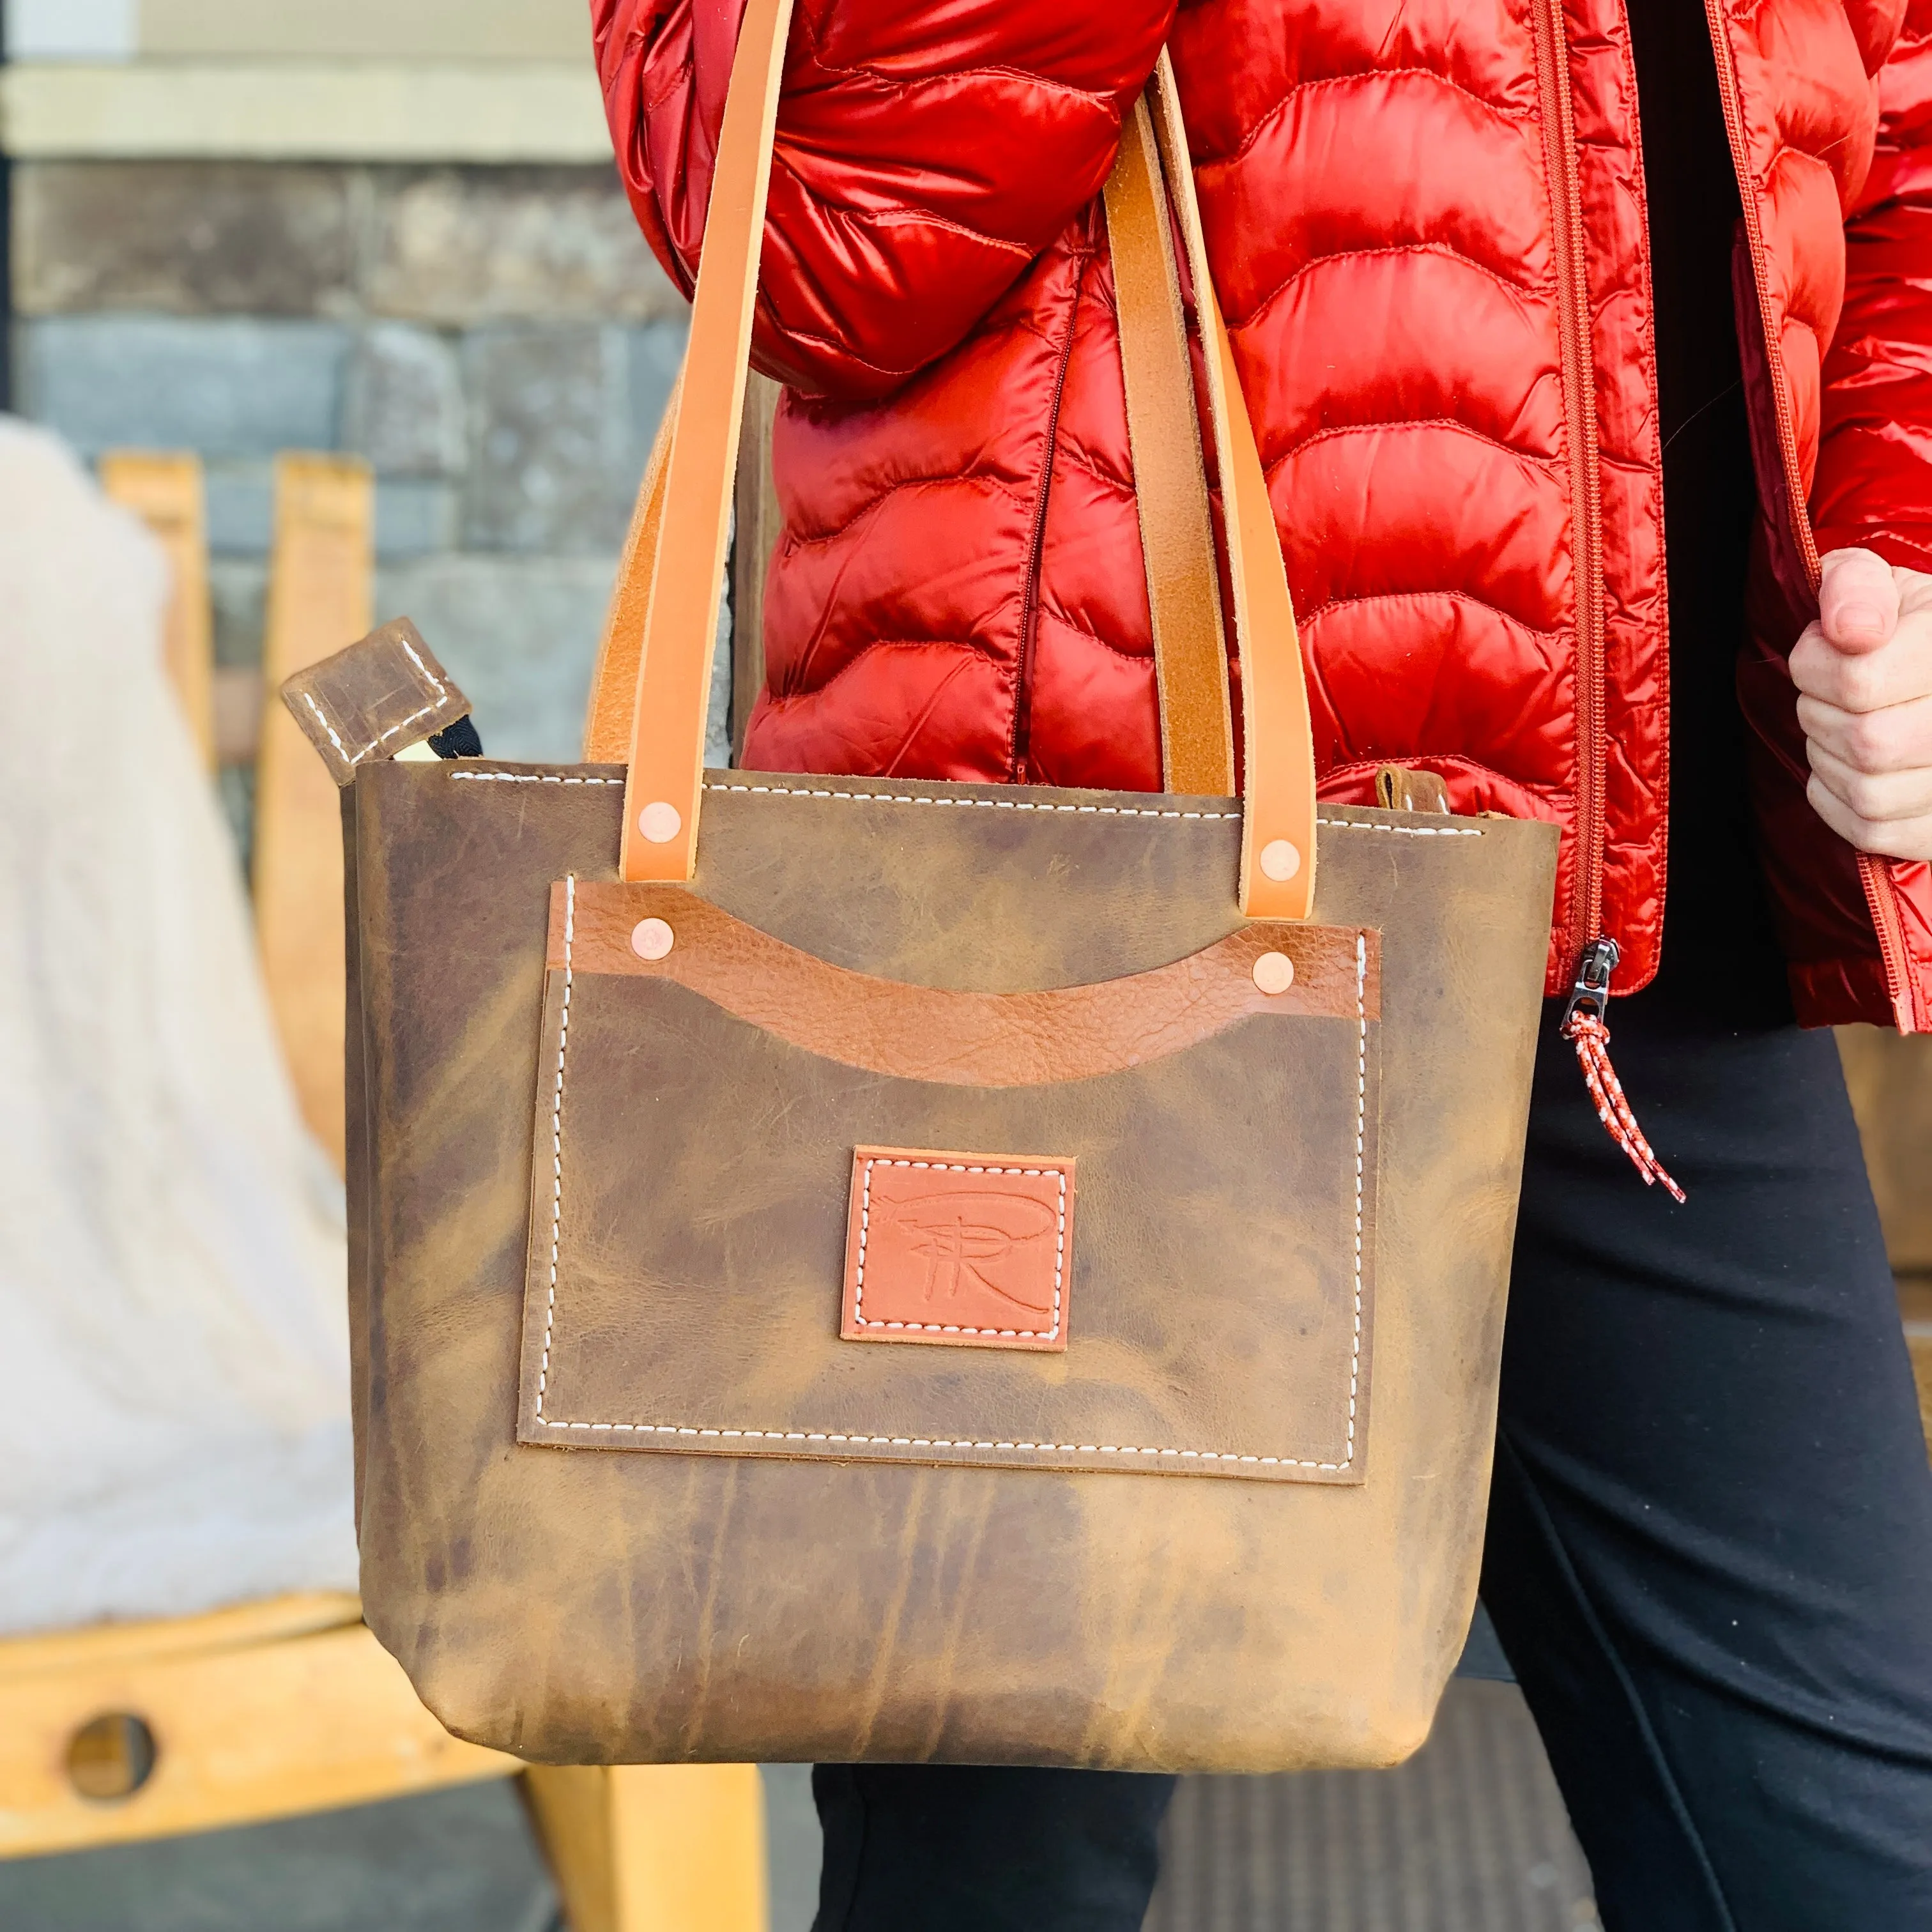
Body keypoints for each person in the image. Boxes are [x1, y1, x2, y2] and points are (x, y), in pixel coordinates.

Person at [592, 0, 1932, 1924]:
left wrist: (1904, 538)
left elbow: (1899, 133)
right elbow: (807, 233)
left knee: (1852, 1863)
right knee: (1003, 1880)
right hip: (1048, 944)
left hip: (1621, 966)